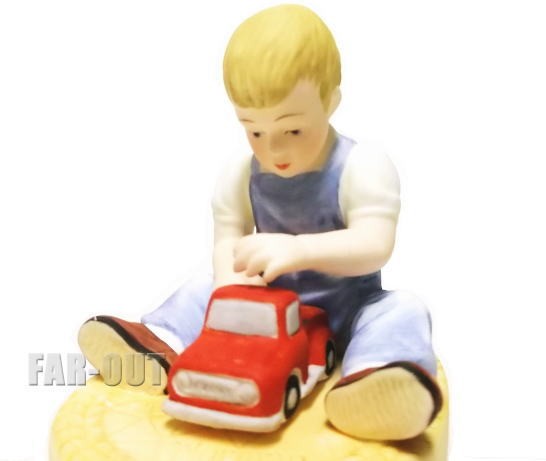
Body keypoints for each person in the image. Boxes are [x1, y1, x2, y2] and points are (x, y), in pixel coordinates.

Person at [78, 4, 442, 441]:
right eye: (254, 131)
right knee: (200, 286)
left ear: (330, 102)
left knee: (404, 309)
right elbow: (227, 243)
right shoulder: (239, 172)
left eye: (293, 130)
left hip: (347, 311)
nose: (274, 150)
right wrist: (230, 281)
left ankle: (378, 378)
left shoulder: (362, 165)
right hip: (264, 310)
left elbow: (375, 243)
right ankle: (159, 342)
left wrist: (299, 249)